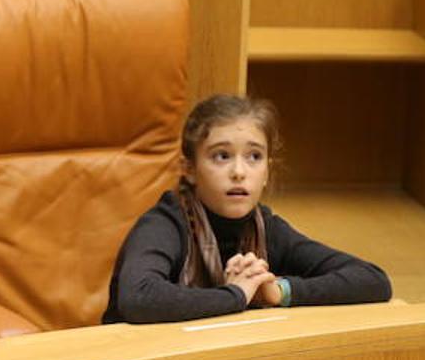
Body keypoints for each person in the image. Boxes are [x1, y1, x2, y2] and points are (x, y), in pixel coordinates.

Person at [103, 94, 392, 323]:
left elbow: (372, 280)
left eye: (254, 156)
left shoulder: (268, 228)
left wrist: (278, 291)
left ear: (267, 171)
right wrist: (236, 295)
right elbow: (138, 297)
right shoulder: (165, 223)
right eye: (222, 156)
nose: (239, 172)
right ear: (189, 169)